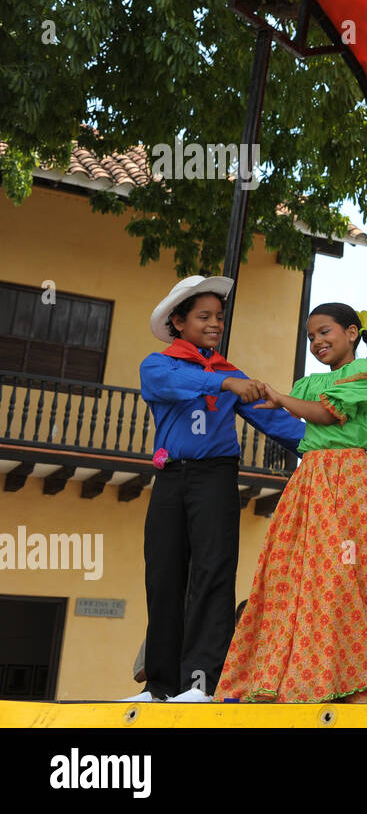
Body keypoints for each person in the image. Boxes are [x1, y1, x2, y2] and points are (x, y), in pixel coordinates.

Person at [216, 304, 367, 703]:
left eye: (324, 332)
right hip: (311, 478)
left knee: (343, 572)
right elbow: (302, 417)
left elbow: (328, 416)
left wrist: (278, 397)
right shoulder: (312, 383)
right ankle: (299, 677)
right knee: (293, 574)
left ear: (351, 332)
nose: (316, 342)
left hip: (346, 477)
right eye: (310, 337)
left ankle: (355, 680)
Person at [126, 276, 304, 703]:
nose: (215, 324)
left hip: (215, 478)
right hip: (170, 478)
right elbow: (168, 386)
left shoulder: (231, 374)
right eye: (204, 316)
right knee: (164, 576)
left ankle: (200, 684)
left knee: (213, 575)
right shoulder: (159, 365)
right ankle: (159, 686)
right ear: (178, 322)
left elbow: (279, 425)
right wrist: (223, 383)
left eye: (219, 317)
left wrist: (331, 446)